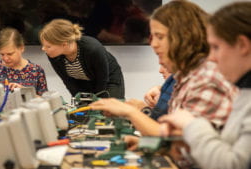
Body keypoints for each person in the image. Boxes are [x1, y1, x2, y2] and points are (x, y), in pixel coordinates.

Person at [90, 0, 237, 136]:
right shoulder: (184, 77)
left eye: (160, 37)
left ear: (184, 37)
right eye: (152, 38)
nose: (153, 44)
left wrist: (131, 112)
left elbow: (185, 140)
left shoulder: (207, 79)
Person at [157, 1, 251, 169]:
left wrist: (192, 125)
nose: (212, 58)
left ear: (242, 45)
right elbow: (227, 151)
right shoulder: (244, 93)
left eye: (216, 47)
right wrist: (185, 144)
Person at [39, 18, 125, 99]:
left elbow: (102, 79)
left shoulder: (92, 49)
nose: (43, 49)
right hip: (85, 82)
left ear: (64, 44)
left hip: (108, 80)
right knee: (83, 110)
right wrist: (79, 100)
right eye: (43, 45)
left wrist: (97, 101)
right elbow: (68, 81)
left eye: (48, 46)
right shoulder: (53, 54)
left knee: (107, 110)